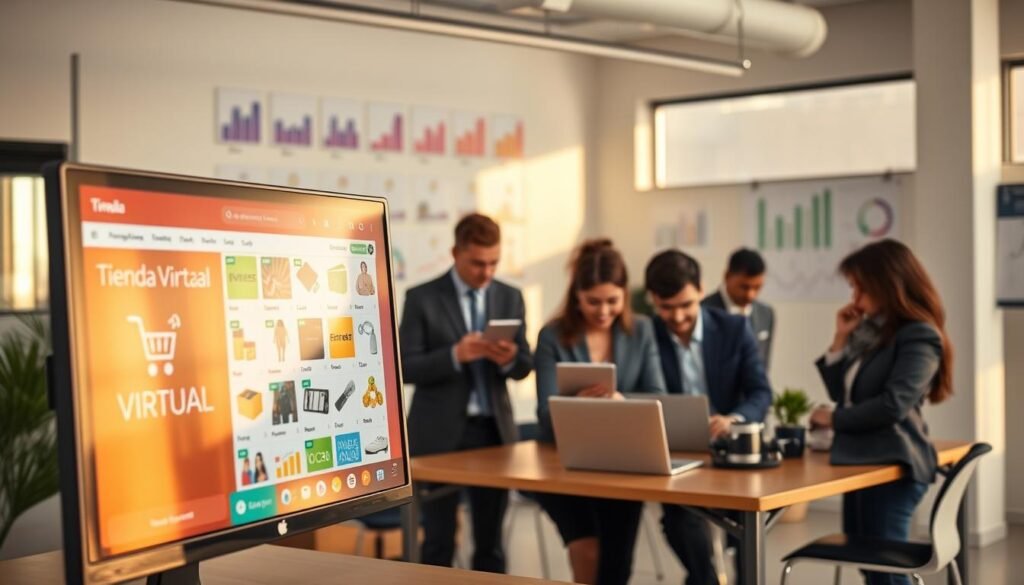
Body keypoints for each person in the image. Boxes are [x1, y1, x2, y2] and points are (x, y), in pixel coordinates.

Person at [808, 239, 953, 585]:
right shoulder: (872, 332)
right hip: (861, 461)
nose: (855, 297)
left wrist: (833, 418)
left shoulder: (919, 335)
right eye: (852, 287)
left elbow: (893, 405)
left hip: (895, 466)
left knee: (886, 572)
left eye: (862, 288)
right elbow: (842, 394)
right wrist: (840, 340)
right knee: (871, 567)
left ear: (889, 285)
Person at [399, 213, 533, 572]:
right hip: (438, 436)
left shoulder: (510, 297)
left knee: (491, 544)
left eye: (493, 262)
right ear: (455, 253)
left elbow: (524, 365)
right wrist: (454, 356)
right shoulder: (422, 298)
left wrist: (509, 359)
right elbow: (405, 368)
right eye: (477, 263)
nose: (486, 272)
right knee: (439, 541)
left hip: (493, 434)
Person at [535, 239, 665, 585]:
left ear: (624, 295)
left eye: (612, 301)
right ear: (576, 295)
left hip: (621, 465)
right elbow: (545, 414)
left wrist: (621, 403)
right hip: (563, 465)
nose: (604, 311)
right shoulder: (552, 336)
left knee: (616, 567)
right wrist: (582, 408)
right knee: (589, 552)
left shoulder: (642, 331)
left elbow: (658, 397)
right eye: (593, 301)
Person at [644, 249, 772, 585]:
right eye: (666, 307)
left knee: (746, 520)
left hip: (729, 451)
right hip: (676, 455)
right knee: (679, 520)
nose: (677, 317)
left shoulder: (734, 328)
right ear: (652, 299)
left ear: (701, 289)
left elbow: (761, 392)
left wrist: (734, 419)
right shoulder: (646, 334)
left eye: (686, 305)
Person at [702, 248, 775, 370]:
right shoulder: (703, 311)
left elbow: (764, 365)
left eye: (757, 287)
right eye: (744, 287)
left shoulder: (766, 313)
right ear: (727, 276)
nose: (750, 295)